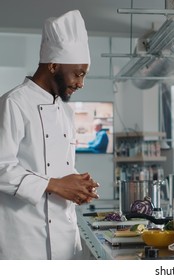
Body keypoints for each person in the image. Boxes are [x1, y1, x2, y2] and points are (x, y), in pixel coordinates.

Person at [0, 10, 100, 260]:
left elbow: (59, 165)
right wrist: (55, 185)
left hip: (65, 237)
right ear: (53, 65)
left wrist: (77, 186)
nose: (81, 83)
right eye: (78, 73)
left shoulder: (65, 112)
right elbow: (2, 166)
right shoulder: (13, 103)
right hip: (24, 241)